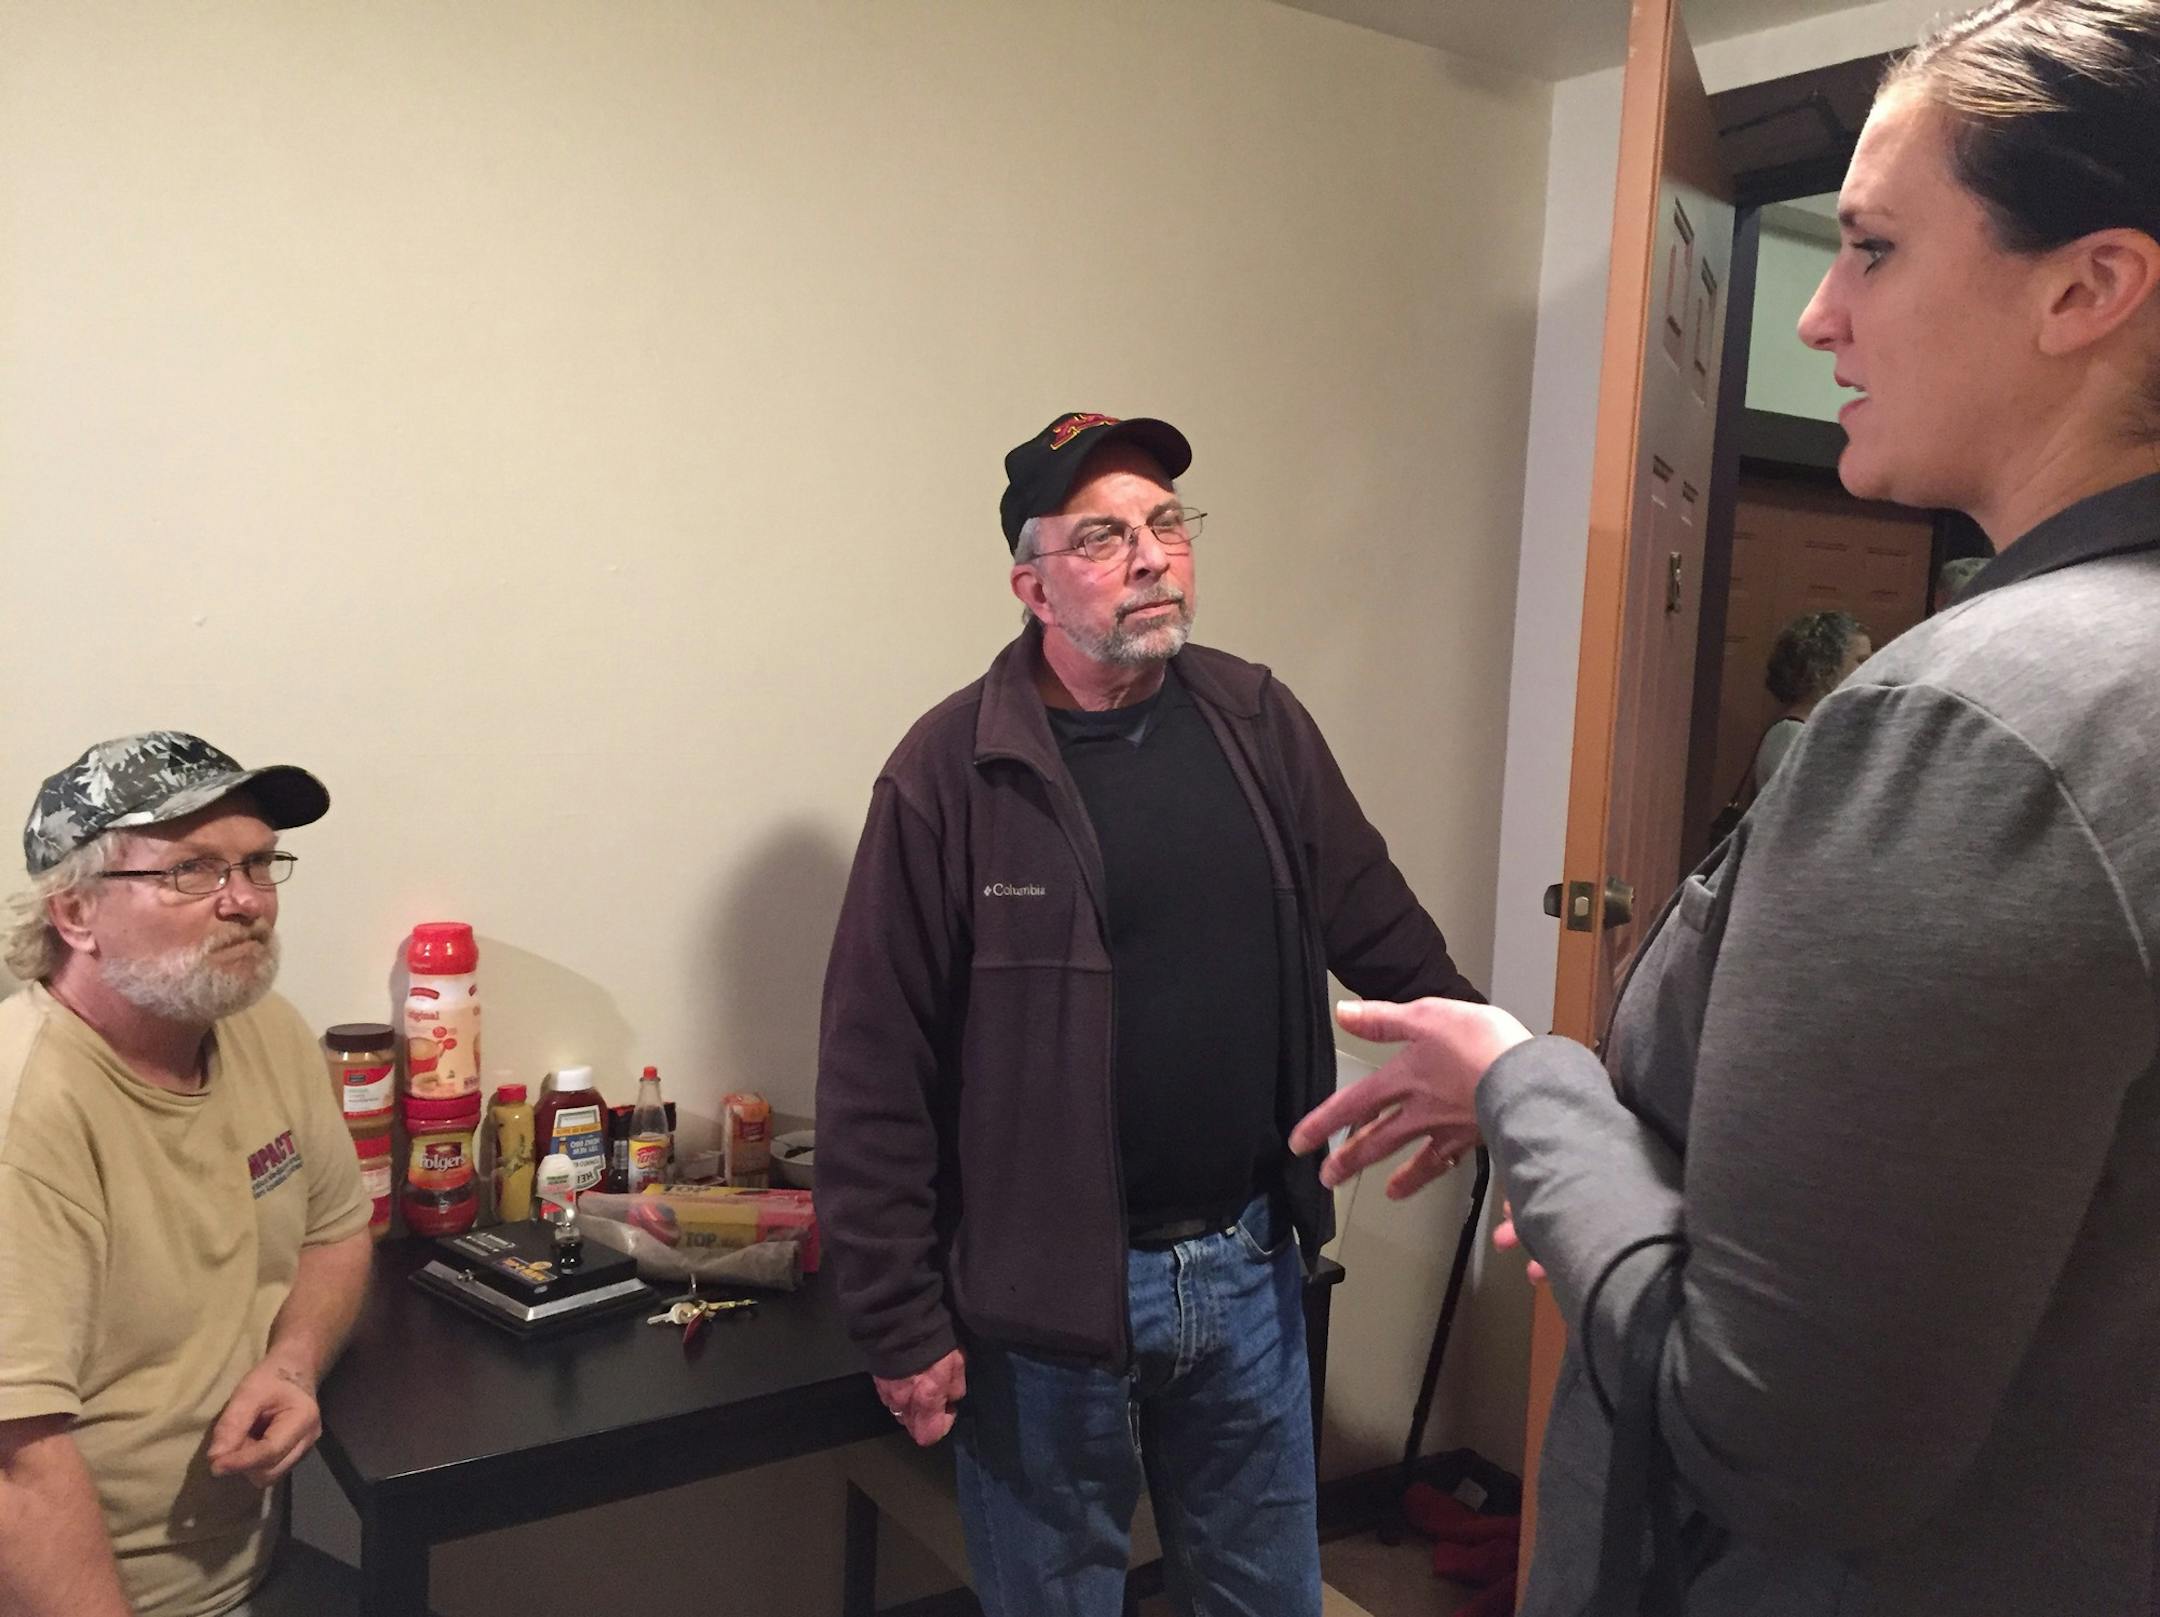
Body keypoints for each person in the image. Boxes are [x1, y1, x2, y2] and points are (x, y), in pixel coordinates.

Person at [1293, 4, 2160, 1613]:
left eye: (1878, 250)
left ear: (2090, 285)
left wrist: (1526, 1083)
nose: (1820, 315)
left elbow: (1776, 1438)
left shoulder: (1971, 725)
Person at [817, 411, 1483, 1616]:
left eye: (1168, 524)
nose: (1150, 555)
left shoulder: (1257, 722)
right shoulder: (949, 772)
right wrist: (898, 1318)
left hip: (1246, 1270)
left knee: (1263, 1598)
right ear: (1031, 583)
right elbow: (876, 1067)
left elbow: (1380, 927)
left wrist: (1493, 1073)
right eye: (1103, 535)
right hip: (1043, 1303)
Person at [0, 733, 373, 1617]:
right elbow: (16, 1470)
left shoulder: (263, 1026)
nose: (245, 901)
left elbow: (335, 1231)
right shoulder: (26, 1116)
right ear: (75, 913)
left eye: (255, 863)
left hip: (256, 1565)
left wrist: (293, 1361)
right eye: (192, 871)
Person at [1754, 608, 1871, 787]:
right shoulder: (1790, 735)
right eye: (1861, 660)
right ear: (1824, 666)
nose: (1870, 668)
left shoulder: (1823, 729)